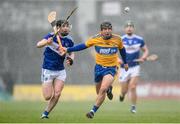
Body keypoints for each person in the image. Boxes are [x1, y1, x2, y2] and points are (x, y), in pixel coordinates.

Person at [60, 21, 128, 119]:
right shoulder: (95, 38)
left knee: (103, 89)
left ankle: (92, 111)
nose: (107, 31)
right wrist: (68, 49)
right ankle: (109, 89)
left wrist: (125, 63)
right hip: (98, 68)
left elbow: (122, 50)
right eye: (105, 29)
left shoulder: (118, 39)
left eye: (109, 29)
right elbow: (82, 46)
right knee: (99, 92)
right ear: (101, 31)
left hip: (111, 68)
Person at [36, 20, 74, 119]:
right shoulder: (51, 36)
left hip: (60, 71)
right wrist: (46, 42)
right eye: (63, 26)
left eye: (67, 26)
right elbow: (38, 44)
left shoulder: (69, 40)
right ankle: (47, 87)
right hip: (48, 69)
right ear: (58, 28)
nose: (66, 28)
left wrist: (70, 59)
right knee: (47, 96)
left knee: (57, 94)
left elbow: (72, 52)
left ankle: (45, 113)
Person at [118, 20, 149, 113]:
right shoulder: (121, 39)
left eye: (131, 26)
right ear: (124, 29)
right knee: (124, 90)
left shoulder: (139, 39)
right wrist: (117, 59)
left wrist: (143, 57)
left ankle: (133, 107)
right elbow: (114, 52)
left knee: (132, 86)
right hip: (124, 68)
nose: (129, 28)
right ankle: (122, 95)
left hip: (135, 67)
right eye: (127, 26)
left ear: (133, 28)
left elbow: (146, 50)